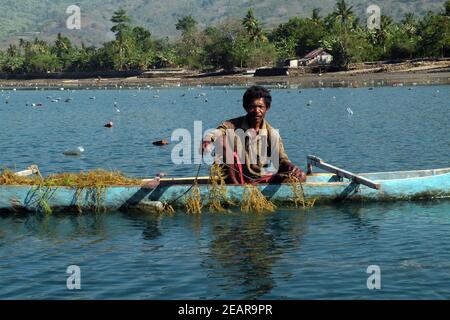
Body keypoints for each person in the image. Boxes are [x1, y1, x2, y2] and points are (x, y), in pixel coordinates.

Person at [202, 85, 306, 185]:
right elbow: (215, 133)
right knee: (221, 139)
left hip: (257, 179)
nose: (257, 111)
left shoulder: (272, 134)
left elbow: (282, 161)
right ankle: (235, 188)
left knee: (301, 176)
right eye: (252, 107)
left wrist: (293, 168)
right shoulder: (231, 126)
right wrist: (207, 139)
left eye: (260, 107)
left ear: (267, 108)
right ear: (245, 107)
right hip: (231, 179)